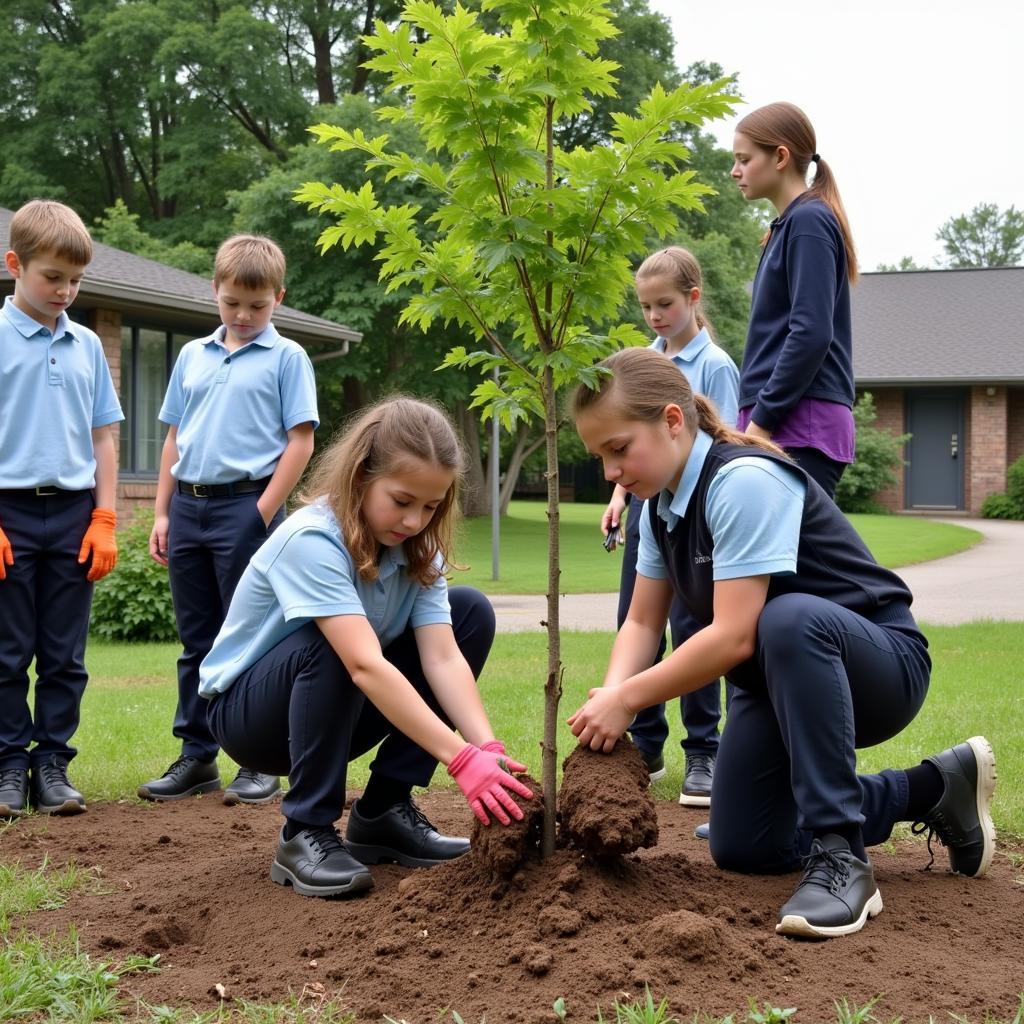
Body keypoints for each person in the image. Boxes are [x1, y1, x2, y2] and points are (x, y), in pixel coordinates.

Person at [569, 347, 996, 939]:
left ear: (672, 421)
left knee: (786, 619)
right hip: (776, 685)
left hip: (878, 668)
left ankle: (843, 855)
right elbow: (642, 624)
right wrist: (610, 702)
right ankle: (933, 787)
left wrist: (629, 700)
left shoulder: (742, 480)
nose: (611, 472)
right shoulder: (659, 507)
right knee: (745, 843)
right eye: (600, 457)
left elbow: (733, 636)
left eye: (619, 449)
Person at [198, 396, 533, 897]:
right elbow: (362, 663)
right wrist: (459, 760)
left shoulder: (419, 551)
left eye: (431, 505)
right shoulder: (313, 539)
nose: (416, 520)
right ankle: (303, 830)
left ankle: (381, 812)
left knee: (470, 613)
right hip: (252, 719)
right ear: (360, 477)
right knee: (337, 644)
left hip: (339, 709)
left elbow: (442, 656)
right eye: (402, 501)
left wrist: (486, 747)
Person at [138, 235, 318, 806]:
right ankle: (196, 757)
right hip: (188, 508)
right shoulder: (192, 356)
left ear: (278, 298)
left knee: (250, 638)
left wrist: (261, 513)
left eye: (257, 306)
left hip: (248, 506)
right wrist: (163, 511)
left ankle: (256, 762)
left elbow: (301, 442)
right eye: (232, 302)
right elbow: (175, 437)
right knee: (197, 640)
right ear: (214, 291)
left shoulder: (288, 358)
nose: (243, 316)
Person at [601, 247, 739, 805]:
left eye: (665, 304)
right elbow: (628, 442)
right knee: (636, 619)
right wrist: (618, 494)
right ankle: (645, 741)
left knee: (692, 627)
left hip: (696, 514)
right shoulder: (643, 361)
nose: (655, 316)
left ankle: (702, 750)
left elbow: (719, 440)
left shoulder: (715, 366)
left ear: (693, 299)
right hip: (646, 505)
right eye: (647, 306)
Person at [0, 199, 123, 818]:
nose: (66, 291)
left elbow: (103, 438)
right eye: (53, 277)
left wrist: (104, 518)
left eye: (76, 281)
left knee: (64, 654)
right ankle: (7, 767)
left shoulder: (87, 347)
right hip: (8, 514)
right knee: (6, 649)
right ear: (15, 264)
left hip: (74, 514)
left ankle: (52, 765)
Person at [731, 101, 856, 499]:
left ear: (780, 156)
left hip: (800, 425)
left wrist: (761, 422)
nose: (735, 171)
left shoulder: (808, 222)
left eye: (744, 159)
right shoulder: (786, 227)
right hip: (781, 420)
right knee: (786, 561)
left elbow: (812, 333)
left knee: (802, 561)